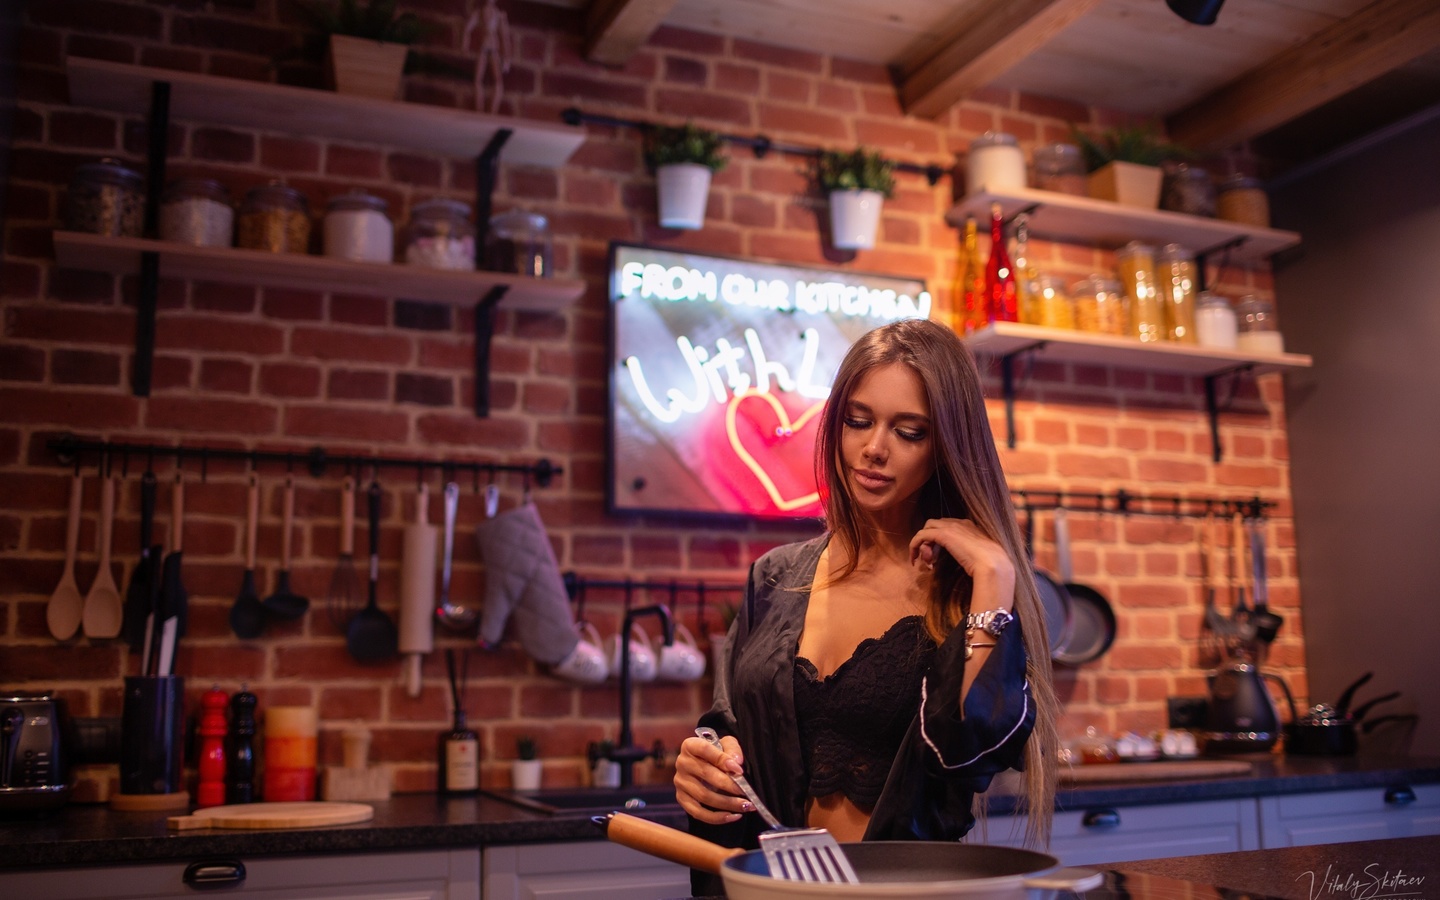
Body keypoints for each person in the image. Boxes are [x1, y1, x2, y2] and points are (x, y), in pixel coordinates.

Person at [673, 317, 1058, 892]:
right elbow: (730, 726)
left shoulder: (966, 591)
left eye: (909, 432)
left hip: (906, 892)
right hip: (768, 890)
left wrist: (998, 578)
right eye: (858, 421)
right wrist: (702, 764)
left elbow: (969, 746)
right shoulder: (775, 578)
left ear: (946, 446)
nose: (873, 449)